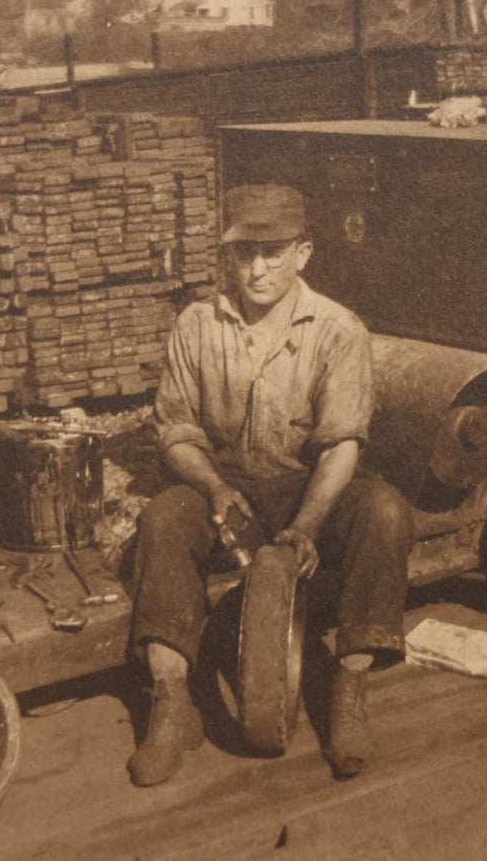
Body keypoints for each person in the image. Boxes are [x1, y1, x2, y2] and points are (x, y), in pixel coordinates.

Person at [126, 182, 414, 786]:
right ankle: (172, 704)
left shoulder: (337, 329)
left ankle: (349, 690)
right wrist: (211, 489)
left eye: (274, 252)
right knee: (161, 520)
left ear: (303, 253)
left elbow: (342, 445)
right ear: (225, 256)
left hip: (308, 486)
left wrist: (307, 524)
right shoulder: (196, 325)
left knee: (384, 511)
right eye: (242, 253)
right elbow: (176, 430)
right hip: (225, 483)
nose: (257, 269)